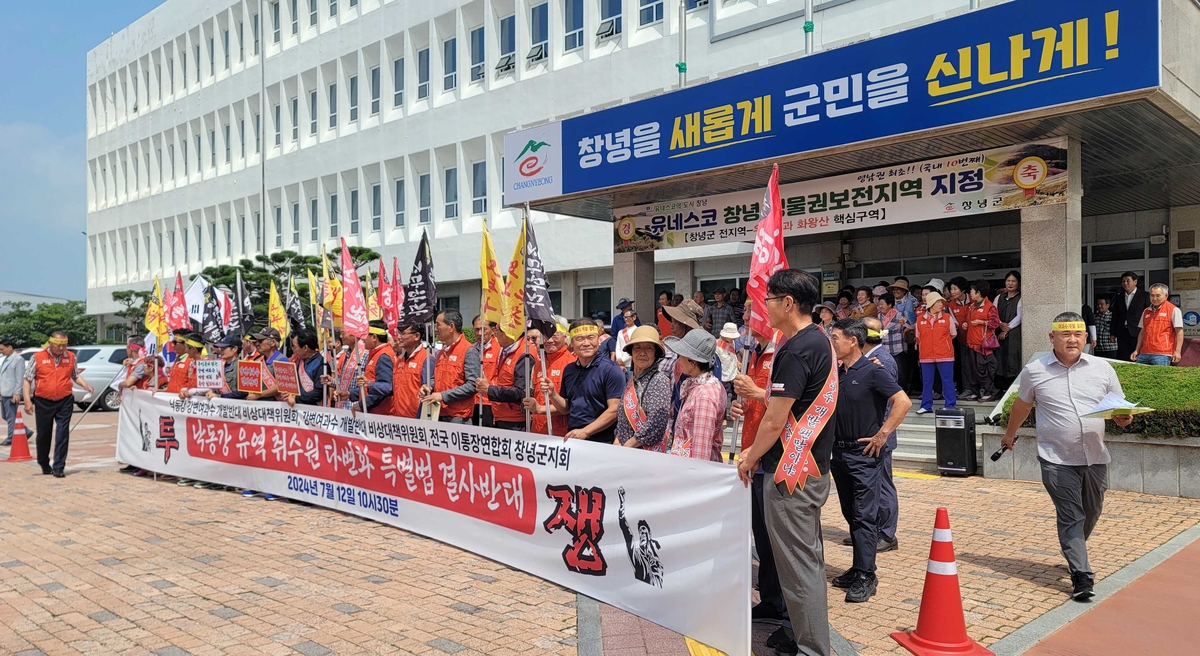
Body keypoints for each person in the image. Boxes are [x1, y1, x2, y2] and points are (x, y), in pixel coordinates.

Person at [735, 269, 835, 656]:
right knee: (804, 560)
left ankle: (812, 648)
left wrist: (750, 456)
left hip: (791, 473)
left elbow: (776, 420)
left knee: (799, 566)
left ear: (788, 303)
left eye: (770, 300)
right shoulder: (817, 341)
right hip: (808, 468)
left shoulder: (796, 348)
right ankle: (799, 635)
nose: (765, 308)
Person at [1000, 312, 1132, 601]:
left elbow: (1119, 408)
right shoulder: (1035, 371)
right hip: (1056, 458)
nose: (1072, 339)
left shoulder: (1103, 369)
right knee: (1071, 515)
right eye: (1065, 334)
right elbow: (1022, 406)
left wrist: (1124, 418)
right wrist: (1010, 434)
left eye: (1078, 334)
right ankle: (1081, 576)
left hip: (1095, 456)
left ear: (1086, 338)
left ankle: (1073, 546)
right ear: (1052, 337)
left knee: (1092, 511)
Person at [827, 319, 910, 603]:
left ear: (853, 341)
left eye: (835, 337)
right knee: (851, 514)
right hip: (838, 453)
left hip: (864, 456)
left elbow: (903, 402)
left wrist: (882, 434)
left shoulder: (874, 370)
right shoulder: (836, 373)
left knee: (864, 517)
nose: (832, 342)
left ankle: (867, 574)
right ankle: (858, 566)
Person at [727, 300, 789, 627]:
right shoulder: (752, 352)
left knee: (778, 542)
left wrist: (756, 392)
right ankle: (771, 601)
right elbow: (753, 401)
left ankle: (788, 616)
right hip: (752, 455)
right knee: (762, 539)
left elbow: (789, 401)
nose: (747, 316)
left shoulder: (783, 350)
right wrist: (739, 407)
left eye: (754, 309)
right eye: (747, 309)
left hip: (775, 459)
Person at [532, 319, 624, 442]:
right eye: (579, 339)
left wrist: (585, 431)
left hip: (602, 441)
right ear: (571, 343)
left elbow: (614, 410)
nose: (586, 343)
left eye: (591, 337)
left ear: (598, 339)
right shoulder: (570, 369)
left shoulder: (611, 370)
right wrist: (553, 393)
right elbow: (566, 408)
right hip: (573, 438)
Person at [23, 331, 93, 477]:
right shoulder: (37, 357)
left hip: (65, 400)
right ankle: (43, 462)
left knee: (62, 433)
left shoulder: (71, 357)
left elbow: (75, 375)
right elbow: (27, 379)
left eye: (64, 345)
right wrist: (28, 401)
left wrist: (85, 385)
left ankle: (59, 466)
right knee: (43, 434)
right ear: (50, 343)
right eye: (58, 345)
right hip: (43, 401)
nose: (62, 349)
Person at [861, 316, 900, 553]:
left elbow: (891, 401)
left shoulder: (883, 360)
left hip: (881, 434)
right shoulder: (870, 358)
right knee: (871, 485)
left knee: (883, 484)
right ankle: (872, 531)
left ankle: (887, 533)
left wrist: (882, 432)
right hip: (872, 432)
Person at [663, 329, 727, 462]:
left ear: (693, 361)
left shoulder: (705, 394)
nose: (678, 360)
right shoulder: (698, 386)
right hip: (685, 465)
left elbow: (701, 450)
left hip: (692, 470)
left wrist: (696, 477)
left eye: (681, 356)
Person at [614, 326, 671, 451]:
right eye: (637, 348)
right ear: (631, 352)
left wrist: (627, 446)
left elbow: (655, 424)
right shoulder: (633, 380)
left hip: (644, 453)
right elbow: (623, 419)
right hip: (626, 452)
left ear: (656, 353)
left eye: (649, 348)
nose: (642, 353)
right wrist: (617, 440)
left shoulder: (659, 380)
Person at [419, 309, 480, 424]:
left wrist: (443, 396)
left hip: (459, 416)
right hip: (439, 412)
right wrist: (428, 386)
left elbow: (473, 385)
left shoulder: (468, 350)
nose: (436, 329)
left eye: (438, 325)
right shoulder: (442, 352)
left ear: (451, 327)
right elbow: (438, 378)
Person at [479, 325, 539, 431]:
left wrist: (490, 389)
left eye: (496, 330)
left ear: (508, 332)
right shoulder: (505, 350)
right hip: (501, 415)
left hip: (515, 421)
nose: (494, 334)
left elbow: (522, 392)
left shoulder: (524, 354)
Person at [529, 317, 577, 436]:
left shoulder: (572, 364)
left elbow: (572, 405)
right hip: (537, 431)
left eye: (555, 335)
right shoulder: (538, 364)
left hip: (561, 434)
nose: (549, 340)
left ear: (565, 337)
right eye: (545, 336)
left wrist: (540, 408)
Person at [914, 291, 957, 415]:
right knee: (927, 381)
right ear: (931, 303)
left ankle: (950, 405)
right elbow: (918, 337)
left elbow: (953, 334)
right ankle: (926, 406)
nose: (941, 304)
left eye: (941, 301)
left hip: (945, 355)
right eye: (938, 302)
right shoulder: (919, 319)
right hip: (926, 356)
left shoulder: (947, 317)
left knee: (947, 381)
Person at [342, 320, 395, 414]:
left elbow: (386, 388)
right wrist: (350, 393)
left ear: (374, 337)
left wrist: (363, 404)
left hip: (380, 413)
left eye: (365, 336)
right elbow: (370, 386)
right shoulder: (376, 354)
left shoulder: (383, 356)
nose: (362, 340)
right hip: (375, 412)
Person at [962, 280, 1001, 402]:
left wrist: (981, 322)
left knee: (982, 369)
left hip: (982, 344)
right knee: (970, 369)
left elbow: (995, 323)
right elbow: (968, 321)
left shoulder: (990, 307)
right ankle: (975, 391)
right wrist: (965, 324)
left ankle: (988, 391)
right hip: (970, 342)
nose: (970, 293)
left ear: (978, 292)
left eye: (971, 291)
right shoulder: (971, 306)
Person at [1131, 282, 1184, 365]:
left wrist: (1177, 351)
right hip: (1145, 352)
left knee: (1159, 377)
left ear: (1166, 296)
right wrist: (1137, 350)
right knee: (1138, 376)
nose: (1154, 298)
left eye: (1158, 295)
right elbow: (1142, 332)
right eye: (1152, 295)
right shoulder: (1146, 311)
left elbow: (1179, 332)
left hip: (1162, 353)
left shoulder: (1173, 310)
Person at [1109, 272, 1150, 363]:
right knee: (1122, 357)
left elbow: (1149, 314)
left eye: (1128, 281)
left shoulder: (1144, 295)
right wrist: (1112, 333)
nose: (1125, 283)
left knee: (1137, 356)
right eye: (1123, 281)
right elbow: (1115, 316)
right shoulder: (1119, 297)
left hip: (1138, 331)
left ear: (1135, 282)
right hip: (1122, 331)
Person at [391, 323, 430, 418]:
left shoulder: (427, 359)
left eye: (403, 333)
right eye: (398, 333)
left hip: (416, 420)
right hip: (398, 418)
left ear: (416, 336)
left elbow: (428, 391)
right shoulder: (399, 360)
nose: (399, 337)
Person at [994, 271, 1023, 391]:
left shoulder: (1021, 297)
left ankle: (1012, 388)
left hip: (1014, 333)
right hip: (999, 331)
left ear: (1019, 283)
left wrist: (1007, 329)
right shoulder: (999, 297)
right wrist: (1000, 324)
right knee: (999, 359)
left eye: (1013, 281)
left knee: (1013, 358)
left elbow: (1020, 316)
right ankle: (1000, 389)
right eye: (1008, 281)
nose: (1010, 283)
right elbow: (993, 313)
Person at [944, 277, 972, 392]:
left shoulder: (973, 300)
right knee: (964, 366)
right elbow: (953, 321)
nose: (952, 292)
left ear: (963, 289)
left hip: (975, 340)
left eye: (955, 289)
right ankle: (966, 388)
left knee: (977, 366)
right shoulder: (951, 305)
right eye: (951, 289)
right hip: (961, 340)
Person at [282, 329, 324, 406]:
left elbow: (319, 393)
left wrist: (296, 398)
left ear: (305, 348)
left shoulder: (321, 364)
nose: (293, 350)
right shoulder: (297, 361)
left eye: (295, 347)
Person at [0, 338, 29, 447]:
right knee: (5, 415)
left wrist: (17, 393)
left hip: (12, 393)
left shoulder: (18, 359)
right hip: (4, 392)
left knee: (11, 416)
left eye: (2, 349)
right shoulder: (6, 359)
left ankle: (10, 437)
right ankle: (26, 431)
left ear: (10, 347)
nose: (1, 351)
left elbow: (19, 378)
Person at [472, 317, 500, 427]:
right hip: (472, 402)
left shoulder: (500, 349)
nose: (479, 333)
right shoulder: (471, 349)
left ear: (493, 330)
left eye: (483, 329)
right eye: (476, 329)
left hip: (490, 402)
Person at [206, 333, 249, 401]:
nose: (220, 350)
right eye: (220, 347)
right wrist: (211, 391)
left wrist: (221, 396)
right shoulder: (219, 366)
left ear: (234, 349)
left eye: (224, 348)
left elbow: (243, 392)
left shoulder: (243, 367)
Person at [250, 328, 288, 401]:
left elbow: (281, 386)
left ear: (272, 342)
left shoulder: (282, 360)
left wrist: (259, 395)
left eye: (260, 341)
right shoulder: (259, 360)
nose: (257, 344)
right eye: (256, 341)